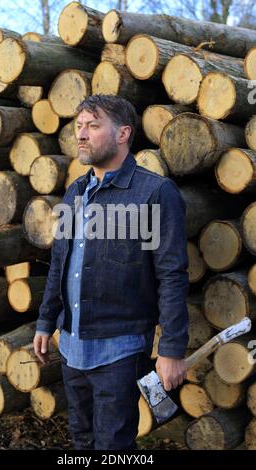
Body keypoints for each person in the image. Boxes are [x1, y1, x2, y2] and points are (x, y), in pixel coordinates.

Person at [33, 94, 189, 451]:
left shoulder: (155, 193)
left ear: (123, 134)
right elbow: (61, 261)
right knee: (82, 440)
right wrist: (45, 321)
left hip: (119, 349)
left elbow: (172, 274)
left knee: (113, 446)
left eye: (93, 125)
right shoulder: (75, 192)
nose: (81, 135)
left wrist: (172, 348)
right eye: (79, 127)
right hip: (72, 345)